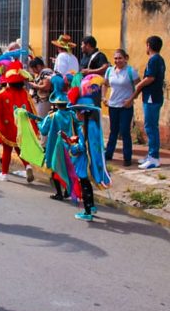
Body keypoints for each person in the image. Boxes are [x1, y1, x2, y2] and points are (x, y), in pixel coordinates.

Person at [64, 88, 111, 220]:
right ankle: (92, 207)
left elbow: (82, 147)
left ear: (82, 113)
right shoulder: (94, 125)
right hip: (91, 159)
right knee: (87, 185)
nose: (75, 114)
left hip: (84, 161)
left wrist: (72, 148)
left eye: (77, 112)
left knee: (84, 184)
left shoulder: (83, 127)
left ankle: (87, 212)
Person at [0, 61, 37, 182]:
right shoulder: (25, 93)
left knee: (7, 149)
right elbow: (32, 110)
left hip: (8, 127)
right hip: (22, 127)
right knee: (19, 148)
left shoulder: (2, 94)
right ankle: (27, 166)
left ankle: (4, 173)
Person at [126, 36, 165, 169]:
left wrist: (138, 86)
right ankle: (151, 155)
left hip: (152, 98)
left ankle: (154, 157)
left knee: (150, 127)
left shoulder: (154, 60)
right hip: (154, 96)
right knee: (151, 126)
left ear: (148, 45)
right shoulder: (158, 59)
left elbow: (150, 78)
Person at [38, 76, 78, 199]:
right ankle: (67, 190)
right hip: (70, 146)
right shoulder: (72, 115)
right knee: (67, 168)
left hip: (56, 147)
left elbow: (44, 131)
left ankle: (59, 193)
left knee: (55, 168)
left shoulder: (52, 116)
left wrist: (39, 123)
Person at [102, 49, 139, 166]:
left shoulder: (130, 71)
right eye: (116, 58)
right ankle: (109, 154)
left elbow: (139, 87)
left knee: (124, 131)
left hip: (125, 106)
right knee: (113, 131)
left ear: (125, 58)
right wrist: (103, 97)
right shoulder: (109, 70)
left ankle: (127, 157)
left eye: (120, 58)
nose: (118, 61)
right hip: (113, 105)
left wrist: (131, 99)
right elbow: (105, 84)